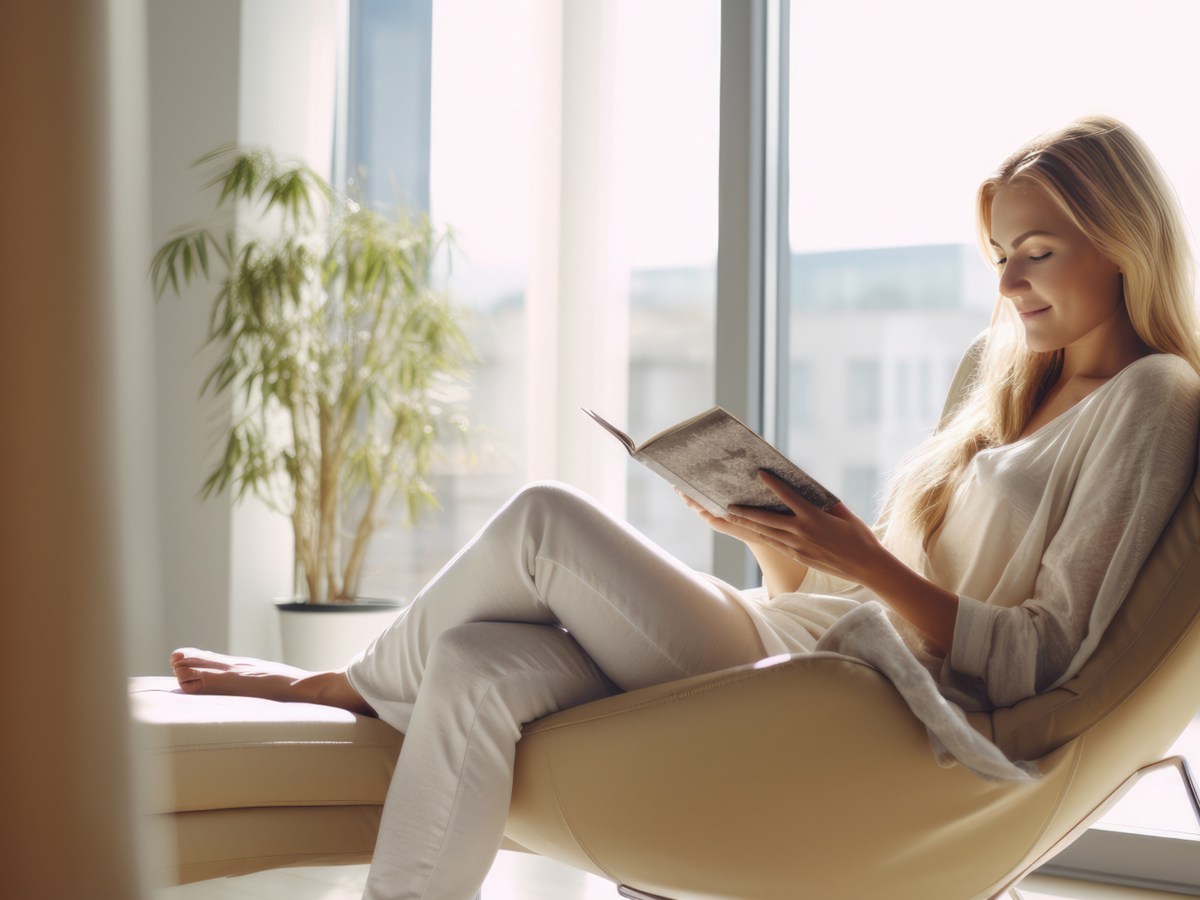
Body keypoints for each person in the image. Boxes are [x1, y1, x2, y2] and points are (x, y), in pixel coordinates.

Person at [172, 115, 1200, 900]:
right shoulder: (1008, 378)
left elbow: (1044, 653)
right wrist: (786, 544)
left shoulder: (1153, 399)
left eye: (1039, 249)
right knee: (476, 664)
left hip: (864, 701)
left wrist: (869, 565)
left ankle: (343, 684)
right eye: (1001, 255)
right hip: (805, 638)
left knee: (541, 520)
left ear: (1119, 239)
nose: (1012, 281)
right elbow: (859, 593)